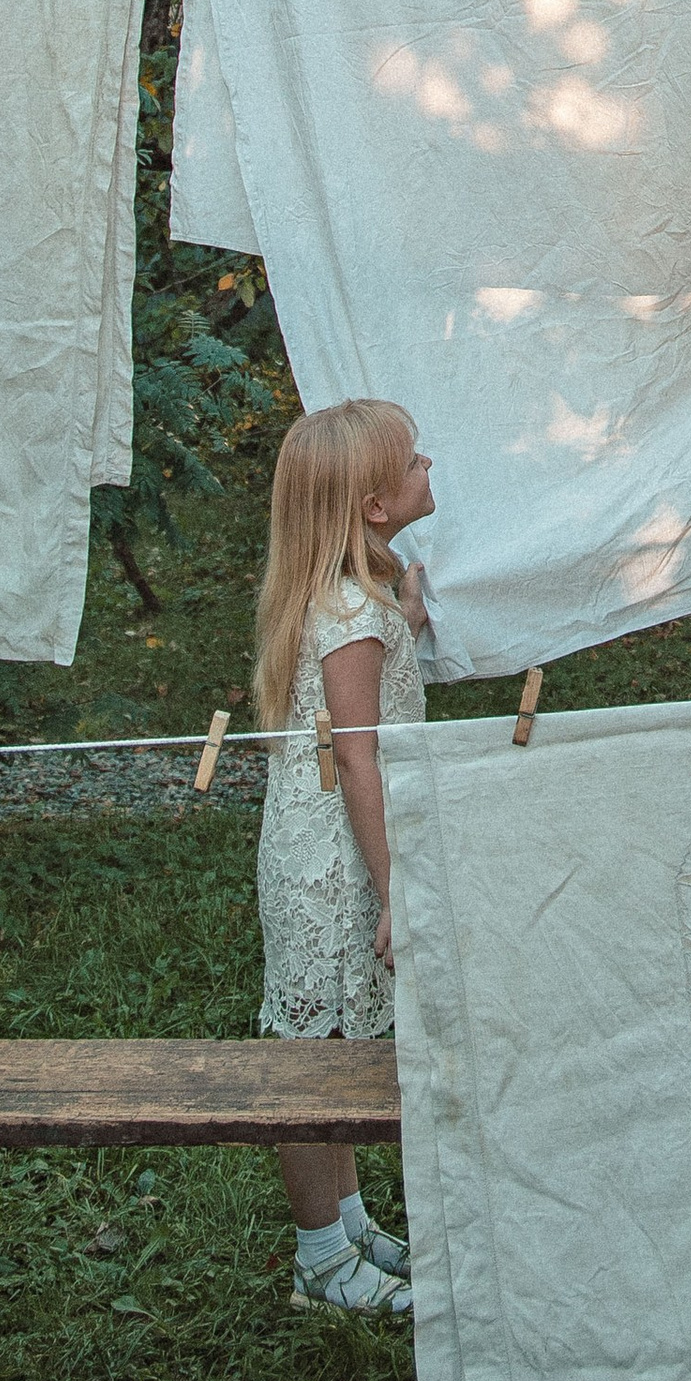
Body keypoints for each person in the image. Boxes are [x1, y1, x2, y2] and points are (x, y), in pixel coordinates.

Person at [251, 395, 434, 1319]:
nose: (425, 466)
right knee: (314, 1054)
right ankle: (318, 1257)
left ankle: (350, 1218)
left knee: (339, 1043)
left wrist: (407, 615)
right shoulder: (349, 621)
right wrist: (397, 889)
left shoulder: (351, 600)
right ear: (371, 504)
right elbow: (358, 755)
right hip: (335, 858)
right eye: (411, 463)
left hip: (320, 840)